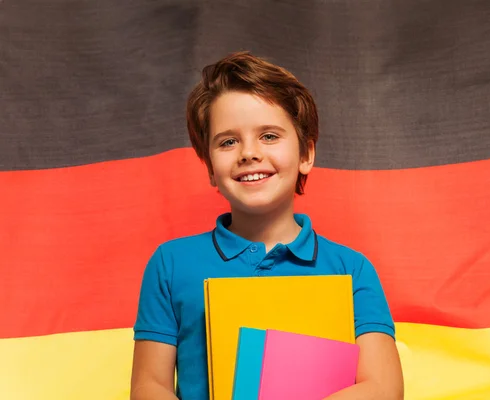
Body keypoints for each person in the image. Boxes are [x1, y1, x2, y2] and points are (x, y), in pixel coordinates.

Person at [130, 51, 404, 400]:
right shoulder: (170, 264)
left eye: (269, 136)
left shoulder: (352, 269)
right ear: (210, 168)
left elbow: (384, 388)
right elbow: (148, 386)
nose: (248, 153)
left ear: (306, 154)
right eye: (228, 141)